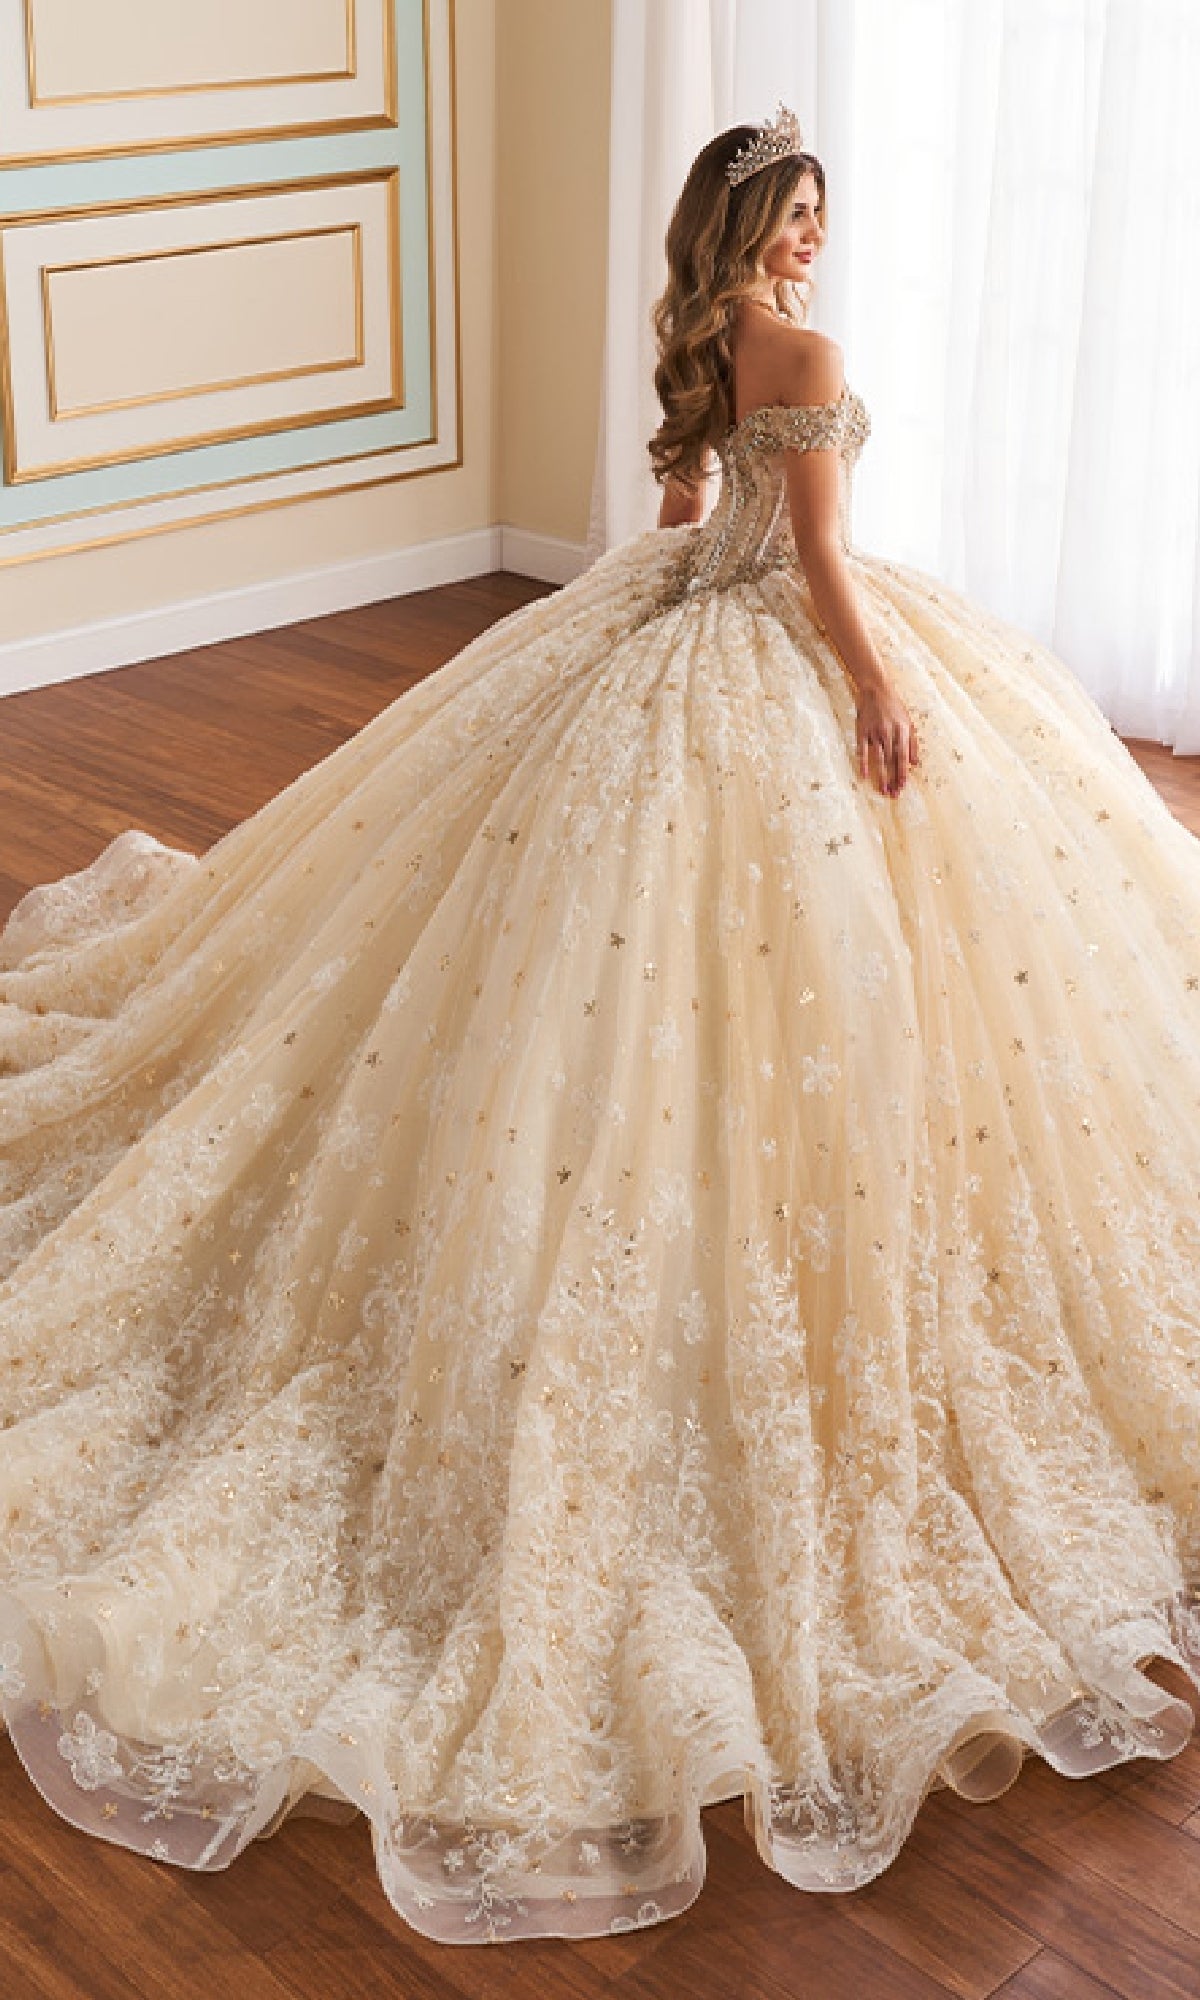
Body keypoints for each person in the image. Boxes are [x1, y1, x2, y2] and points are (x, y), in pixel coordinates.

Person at [0, 107, 1198, 1950]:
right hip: (779, 651)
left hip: (662, 630)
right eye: (793, 217)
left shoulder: (708, 332)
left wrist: (657, 590)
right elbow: (810, 556)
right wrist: (877, 697)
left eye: (820, 218)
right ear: (749, 229)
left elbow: (684, 516)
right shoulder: (801, 345)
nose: (813, 241)